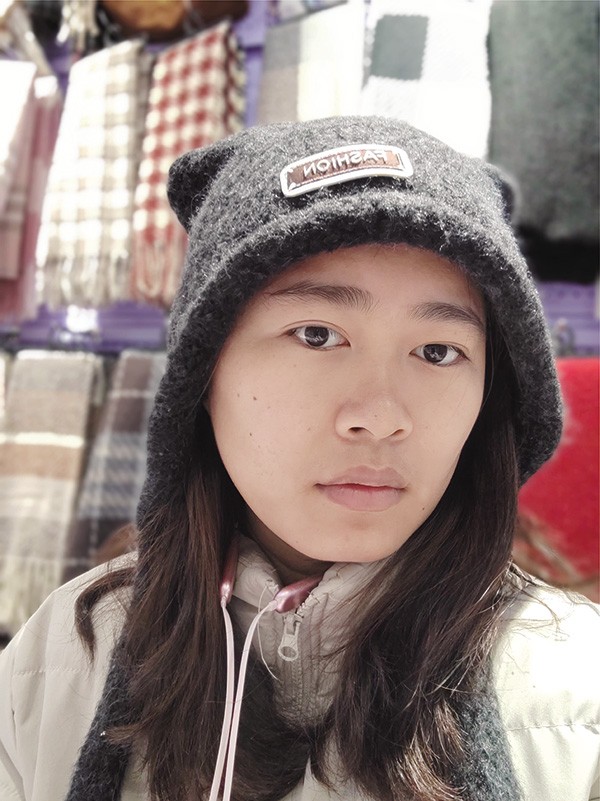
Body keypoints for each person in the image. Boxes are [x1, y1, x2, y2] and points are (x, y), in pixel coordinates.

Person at [0, 116, 598, 801]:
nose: (381, 415)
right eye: (316, 334)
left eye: (438, 351)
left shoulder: (577, 691)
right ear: (204, 372)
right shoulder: (56, 661)